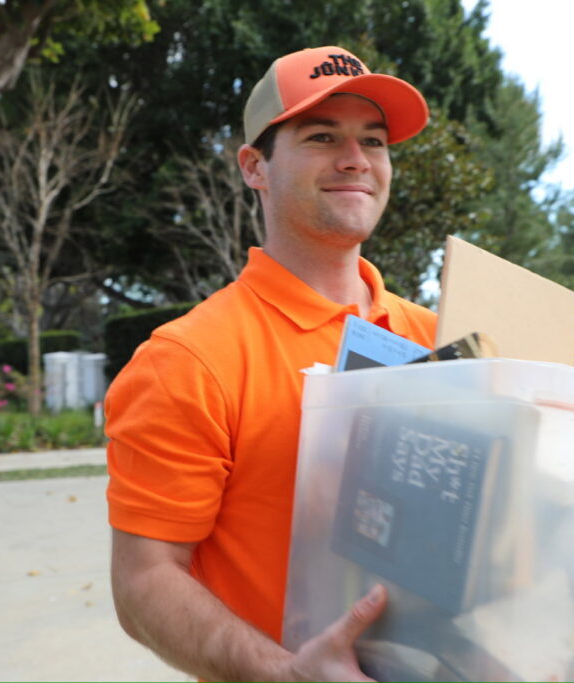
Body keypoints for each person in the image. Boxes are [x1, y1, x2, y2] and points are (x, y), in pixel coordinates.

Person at [105, 45, 436, 681]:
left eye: (374, 140)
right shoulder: (188, 359)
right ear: (255, 166)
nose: (356, 160)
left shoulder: (439, 338)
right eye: (322, 136)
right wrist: (284, 674)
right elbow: (144, 581)